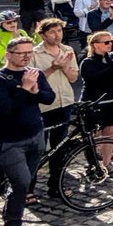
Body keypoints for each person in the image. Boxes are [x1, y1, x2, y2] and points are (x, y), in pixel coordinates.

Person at [0, 35, 55, 226]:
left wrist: (35, 91)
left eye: (29, 53)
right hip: (10, 141)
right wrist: (24, 89)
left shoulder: (35, 73)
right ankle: (13, 225)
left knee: (24, 181)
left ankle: (12, 209)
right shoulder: (1, 78)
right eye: (20, 53)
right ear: (8, 54)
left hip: (36, 135)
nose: (25, 57)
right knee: (22, 182)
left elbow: (49, 98)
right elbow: (4, 111)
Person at [29, 19, 78, 201]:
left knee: (60, 147)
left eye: (59, 31)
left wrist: (64, 66)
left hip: (64, 101)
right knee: (37, 149)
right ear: (43, 34)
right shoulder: (34, 53)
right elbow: (33, 82)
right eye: (53, 32)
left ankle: (56, 185)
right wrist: (52, 68)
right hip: (42, 106)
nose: (57, 35)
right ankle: (28, 189)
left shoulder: (68, 50)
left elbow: (73, 78)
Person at [79, 31, 113, 166]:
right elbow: (98, 78)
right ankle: (93, 165)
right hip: (95, 103)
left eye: (111, 42)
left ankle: (107, 163)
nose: (110, 44)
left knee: (110, 133)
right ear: (95, 45)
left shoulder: (112, 57)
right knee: (93, 135)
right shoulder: (87, 62)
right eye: (106, 42)